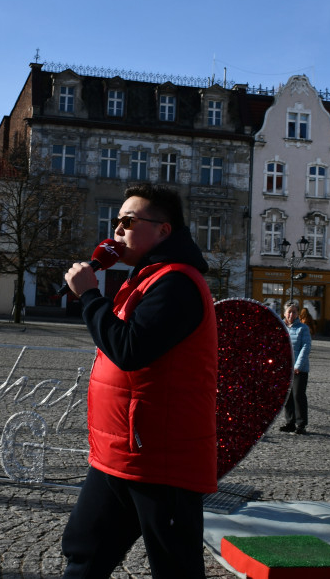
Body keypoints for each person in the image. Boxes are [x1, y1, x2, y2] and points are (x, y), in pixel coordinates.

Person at [61, 183, 217, 578]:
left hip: (160, 459)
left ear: (163, 230)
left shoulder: (177, 283)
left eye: (128, 222)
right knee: (84, 553)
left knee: (175, 568)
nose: (117, 229)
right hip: (118, 452)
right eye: (116, 221)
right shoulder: (145, 278)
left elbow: (129, 349)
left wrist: (90, 296)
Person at [278, 302, 311, 435]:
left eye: (294, 312)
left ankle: (301, 424)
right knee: (287, 396)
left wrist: (298, 365)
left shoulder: (303, 328)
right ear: (284, 313)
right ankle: (290, 422)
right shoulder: (280, 327)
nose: (291, 314)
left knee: (298, 395)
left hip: (299, 369)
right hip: (284, 368)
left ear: (298, 314)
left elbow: (306, 347)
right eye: (289, 312)